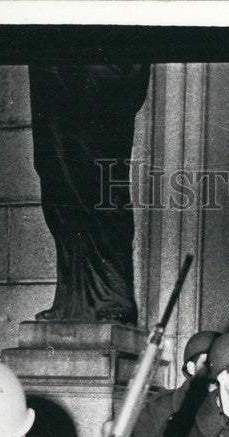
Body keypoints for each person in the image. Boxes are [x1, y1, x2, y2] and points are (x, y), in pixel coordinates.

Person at [29, 64, 151, 324]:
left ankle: (112, 293)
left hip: (98, 74)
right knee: (57, 179)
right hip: (55, 70)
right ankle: (71, 298)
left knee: (97, 183)